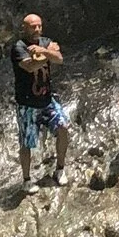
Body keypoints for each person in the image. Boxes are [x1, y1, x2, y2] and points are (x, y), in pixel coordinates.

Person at [10, 11, 70, 191]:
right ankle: (27, 180)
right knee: (27, 142)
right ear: (24, 28)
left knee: (63, 127)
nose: (37, 29)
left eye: (39, 26)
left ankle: (60, 169)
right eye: (32, 26)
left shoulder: (45, 42)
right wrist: (50, 53)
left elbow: (59, 59)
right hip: (27, 104)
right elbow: (30, 66)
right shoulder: (18, 47)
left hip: (47, 99)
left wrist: (44, 51)